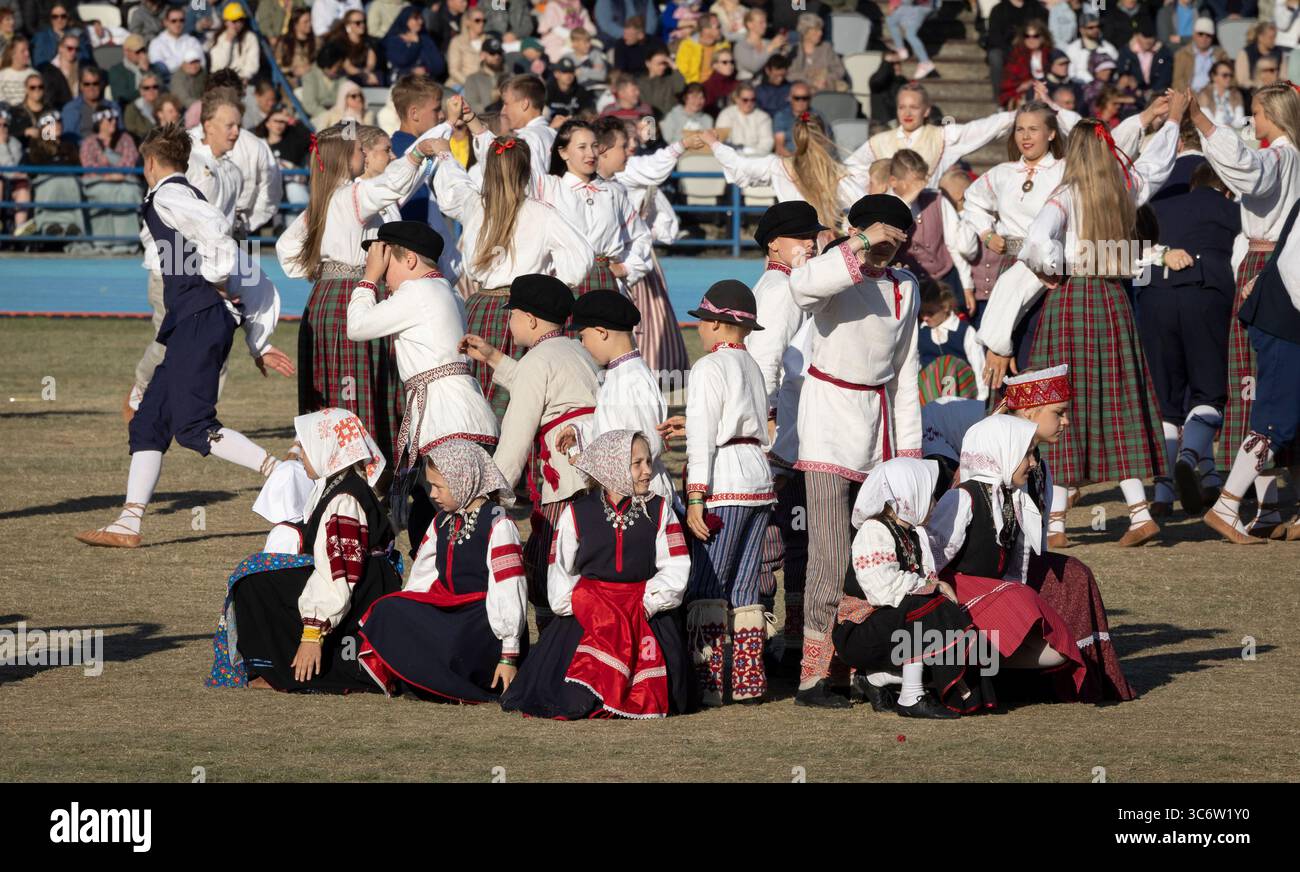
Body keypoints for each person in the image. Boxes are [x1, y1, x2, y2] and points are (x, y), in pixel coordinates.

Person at [987, 95, 1185, 548]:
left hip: (1073, 298)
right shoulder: (1125, 187)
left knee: (1061, 401)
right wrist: (1171, 121)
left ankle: (1055, 524)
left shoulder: (1065, 194)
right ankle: (1137, 512)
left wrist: (1054, 267)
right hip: (1114, 300)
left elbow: (1037, 241)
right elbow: (1157, 162)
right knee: (1116, 400)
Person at [75, 124, 284, 549]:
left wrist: (217, 280)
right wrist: (257, 341)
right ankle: (128, 523)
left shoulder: (169, 195)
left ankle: (282, 473)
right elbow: (248, 269)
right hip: (191, 321)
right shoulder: (185, 195)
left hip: (199, 320)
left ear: (150, 164)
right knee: (151, 420)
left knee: (193, 427)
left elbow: (221, 240)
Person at [784, 195, 918, 707]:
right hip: (826, 420)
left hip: (879, 426)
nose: (887, 248)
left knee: (872, 551)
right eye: (879, 234)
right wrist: (861, 241)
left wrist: (908, 453)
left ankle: (865, 667)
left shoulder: (907, 286)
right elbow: (802, 288)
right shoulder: (833, 271)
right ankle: (812, 678)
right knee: (829, 550)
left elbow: (906, 372)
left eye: (896, 237)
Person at [500, 429, 692, 719]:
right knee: (570, 695)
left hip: (644, 609)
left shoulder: (660, 509)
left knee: (672, 689)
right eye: (637, 463)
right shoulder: (576, 513)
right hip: (589, 613)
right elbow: (560, 572)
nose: (647, 471)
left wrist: (647, 602)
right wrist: (587, 604)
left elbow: (676, 566)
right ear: (612, 466)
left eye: (648, 462)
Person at [972, 95, 1166, 377]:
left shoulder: (1067, 171)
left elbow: (1101, 143)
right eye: (1019, 129)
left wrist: (1145, 117)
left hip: (1053, 272)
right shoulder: (1003, 172)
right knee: (1005, 349)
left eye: (1033, 129)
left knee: (1035, 351)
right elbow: (973, 201)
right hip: (1014, 265)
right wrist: (986, 233)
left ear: (1051, 133)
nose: (1025, 136)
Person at [277, 123, 437, 461]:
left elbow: (286, 250)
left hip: (324, 297)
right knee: (357, 383)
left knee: (331, 378)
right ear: (342, 158)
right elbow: (393, 185)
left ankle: (326, 458)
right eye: (358, 151)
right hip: (352, 292)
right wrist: (419, 153)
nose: (363, 154)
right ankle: (361, 463)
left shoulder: (322, 201)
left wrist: (320, 269)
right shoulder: (350, 195)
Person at [1190, 83, 1300, 543]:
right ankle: (1253, 504)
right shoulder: (1285, 155)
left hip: (1276, 263)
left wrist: (1201, 121)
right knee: (1268, 390)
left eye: (1256, 113)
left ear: (1274, 114)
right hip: (1275, 269)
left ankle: (1267, 506)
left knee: (1269, 391)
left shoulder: (1281, 154)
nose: (1252, 121)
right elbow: (1247, 172)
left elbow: (1249, 173)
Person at [346, 221, 499, 550]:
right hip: (460, 409)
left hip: (445, 416)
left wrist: (367, 279)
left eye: (388, 265)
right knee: (437, 504)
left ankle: (455, 577)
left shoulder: (417, 292)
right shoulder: (447, 291)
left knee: (447, 508)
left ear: (410, 261)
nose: (385, 276)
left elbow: (356, 326)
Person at [459, 274, 601, 626]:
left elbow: (515, 438)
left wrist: (488, 494)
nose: (509, 322)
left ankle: (554, 648)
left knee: (549, 565)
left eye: (513, 315)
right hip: (594, 471)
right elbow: (539, 381)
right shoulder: (576, 350)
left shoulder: (539, 360)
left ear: (531, 320)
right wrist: (494, 358)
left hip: (565, 480)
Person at [229, 408, 402, 692]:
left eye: (306, 450)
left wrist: (313, 631)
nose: (301, 457)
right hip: (356, 579)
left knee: (255, 586)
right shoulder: (334, 484)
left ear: (327, 451)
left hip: (360, 590)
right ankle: (272, 666)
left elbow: (340, 574)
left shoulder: (345, 499)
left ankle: (284, 672)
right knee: (256, 577)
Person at [431, 118, 594, 418]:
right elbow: (581, 255)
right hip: (528, 314)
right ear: (527, 172)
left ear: (488, 171)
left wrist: (444, 155)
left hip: (479, 308)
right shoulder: (542, 213)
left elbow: (452, 188)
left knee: (477, 392)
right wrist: (552, 287)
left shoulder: (474, 205)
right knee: (524, 394)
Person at [925, 414, 1090, 700]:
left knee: (1054, 652)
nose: (1034, 463)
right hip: (958, 596)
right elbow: (932, 562)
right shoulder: (963, 498)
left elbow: (1016, 567)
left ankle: (974, 665)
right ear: (1002, 451)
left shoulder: (1013, 498)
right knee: (1019, 599)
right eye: (1026, 454)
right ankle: (939, 663)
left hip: (994, 595)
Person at [999, 365, 1136, 700]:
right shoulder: (998, 459)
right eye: (1058, 413)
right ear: (1031, 411)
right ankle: (1059, 675)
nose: (1066, 421)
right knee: (1072, 576)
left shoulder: (1038, 465)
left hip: (1019, 566)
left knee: (1074, 573)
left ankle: (1068, 675)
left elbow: (1034, 539)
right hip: (990, 575)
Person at [356, 439, 526, 702]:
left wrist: (509, 653)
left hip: (486, 623)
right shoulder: (442, 521)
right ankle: (419, 677)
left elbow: (509, 589)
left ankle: (454, 678)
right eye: (431, 486)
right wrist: (411, 613)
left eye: (439, 486)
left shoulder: (498, 523)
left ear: (463, 480)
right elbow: (422, 579)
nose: (433, 494)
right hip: (452, 610)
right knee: (388, 609)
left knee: (452, 640)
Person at [675, 281, 776, 704]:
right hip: (758, 479)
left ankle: (709, 683)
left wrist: (696, 497)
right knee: (745, 586)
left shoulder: (708, 368)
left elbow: (701, 441)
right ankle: (749, 681)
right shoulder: (751, 365)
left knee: (707, 584)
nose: (699, 329)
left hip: (726, 484)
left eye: (704, 321)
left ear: (718, 324)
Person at [836, 458, 997, 717]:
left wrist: (932, 587)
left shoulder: (912, 534)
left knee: (939, 610)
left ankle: (878, 679)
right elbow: (882, 590)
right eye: (929, 495)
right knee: (926, 605)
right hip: (859, 631)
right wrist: (931, 586)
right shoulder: (874, 531)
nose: (934, 502)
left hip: (892, 625)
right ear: (908, 493)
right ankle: (911, 697)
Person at [1140, 163, 1240, 518]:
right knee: (1209, 391)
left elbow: (1126, 249)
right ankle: (1189, 456)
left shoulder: (1157, 207)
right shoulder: (1233, 210)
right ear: (1226, 189)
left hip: (1154, 295)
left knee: (1165, 397)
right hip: (1206, 292)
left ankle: (1164, 491)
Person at [557, 289, 673, 502]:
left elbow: (648, 442)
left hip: (642, 493)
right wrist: (581, 432)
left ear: (601, 332)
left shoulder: (632, 379)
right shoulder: (619, 373)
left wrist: (594, 459)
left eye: (583, 336)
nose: (582, 345)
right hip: (626, 488)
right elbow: (617, 428)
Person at [597, 117, 691, 377]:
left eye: (633, 143)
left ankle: (647, 371)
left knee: (645, 319)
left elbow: (666, 221)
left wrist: (652, 232)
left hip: (633, 257)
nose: (631, 149)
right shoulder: (626, 175)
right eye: (626, 144)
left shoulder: (629, 175)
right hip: (617, 256)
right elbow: (652, 169)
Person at [705, 116, 870, 233]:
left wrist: (714, 143)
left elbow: (739, 166)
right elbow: (866, 204)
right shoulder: (837, 173)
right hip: (825, 247)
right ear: (824, 136)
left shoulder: (778, 166)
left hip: (789, 247)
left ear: (796, 139)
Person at [543, 119, 651, 298]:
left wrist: (625, 267)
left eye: (594, 146)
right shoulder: (551, 190)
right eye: (582, 147)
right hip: (563, 287)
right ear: (563, 152)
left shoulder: (612, 192)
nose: (591, 154)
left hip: (607, 285)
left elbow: (641, 236)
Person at [850, 82, 1016, 186]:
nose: (907, 113)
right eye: (902, 107)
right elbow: (850, 169)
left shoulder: (942, 137)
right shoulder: (879, 141)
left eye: (914, 107)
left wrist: (1017, 115)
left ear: (926, 110)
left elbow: (981, 128)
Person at [886, 148, 980, 310]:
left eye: (921, 182)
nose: (919, 188)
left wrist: (967, 287)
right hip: (907, 282)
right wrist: (907, 200)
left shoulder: (936, 199)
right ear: (894, 181)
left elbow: (953, 245)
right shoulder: (884, 205)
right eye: (913, 183)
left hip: (946, 277)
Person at [77, 106, 140, 253]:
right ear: (99, 122)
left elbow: (130, 160)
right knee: (103, 192)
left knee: (127, 193)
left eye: (115, 119)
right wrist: (109, 176)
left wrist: (113, 173)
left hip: (123, 181)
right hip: (98, 182)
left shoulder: (126, 139)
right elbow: (88, 165)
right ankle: (102, 243)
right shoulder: (89, 142)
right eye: (109, 119)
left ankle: (127, 244)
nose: (114, 122)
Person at [918, 281, 988, 402]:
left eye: (930, 313)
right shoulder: (921, 332)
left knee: (948, 363)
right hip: (931, 395)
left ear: (945, 307)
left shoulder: (964, 331)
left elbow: (979, 365)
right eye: (922, 313)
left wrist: (981, 400)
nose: (925, 318)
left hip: (961, 392)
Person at [382, 4, 446, 80]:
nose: (421, 21)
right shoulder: (394, 40)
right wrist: (415, 44)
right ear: (405, 20)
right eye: (416, 18)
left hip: (425, 81)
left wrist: (426, 70)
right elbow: (401, 60)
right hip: (401, 81)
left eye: (421, 18)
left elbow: (439, 65)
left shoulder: (425, 39)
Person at [1115, 23, 1174, 105]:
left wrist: (1149, 94)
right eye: (1145, 36)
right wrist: (1131, 84)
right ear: (1136, 35)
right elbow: (1122, 74)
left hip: (1157, 97)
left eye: (1151, 37)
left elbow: (1164, 78)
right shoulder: (1126, 52)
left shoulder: (1164, 53)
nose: (1148, 41)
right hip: (1132, 98)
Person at [1000, 21, 1055, 108]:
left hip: (1050, 90)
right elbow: (1009, 83)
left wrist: (1034, 83)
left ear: (1043, 37)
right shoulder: (1016, 55)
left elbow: (1057, 75)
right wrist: (1020, 87)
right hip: (1023, 94)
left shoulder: (1051, 54)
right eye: (1027, 36)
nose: (1031, 39)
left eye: (1035, 36)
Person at [885, 1, 938, 81]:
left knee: (910, 35)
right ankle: (901, 50)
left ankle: (925, 62)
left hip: (920, 6)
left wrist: (893, 4)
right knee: (891, 20)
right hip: (917, 5)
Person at [1172, 17, 1228, 93]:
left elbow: (1228, 78)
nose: (1204, 38)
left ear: (1213, 37)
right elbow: (1177, 81)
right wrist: (1191, 96)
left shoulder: (1221, 55)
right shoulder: (1182, 54)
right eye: (1200, 34)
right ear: (1194, 34)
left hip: (1214, 95)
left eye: (1208, 35)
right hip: (1190, 96)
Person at [734, 7, 786, 81]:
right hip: (747, 86)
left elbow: (778, 66)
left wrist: (784, 51)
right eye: (761, 22)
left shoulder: (768, 43)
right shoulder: (741, 46)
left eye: (765, 22)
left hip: (769, 85)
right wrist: (771, 47)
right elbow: (754, 67)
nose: (765, 25)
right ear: (750, 25)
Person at [211, 3, 260, 83]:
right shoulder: (219, 38)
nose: (238, 24)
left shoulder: (250, 38)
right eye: (234, 21)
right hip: (222, 83)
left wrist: (244, 76)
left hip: (242, 82)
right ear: (226, 22)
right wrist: (228, 41)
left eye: (240, 20)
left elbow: (253, 64)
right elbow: (218, 66)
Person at [676, 12, 730, 85]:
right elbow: (682, 72)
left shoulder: (724, 44)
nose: (721, 29)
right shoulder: (687, 46)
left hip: (717, 85)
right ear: (705, 30)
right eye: (718, 27)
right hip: (694, 86)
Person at [148, 5, 204, 74]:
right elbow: (159, 69)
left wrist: (172, 63)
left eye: (181, 20)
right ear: (165, 22)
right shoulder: (156, 43)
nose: (178, 24)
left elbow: (202, 64)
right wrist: (183, 65)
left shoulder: (192, 41)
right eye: (174, 21)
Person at [1066, 13, 1118, 83]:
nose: (1096, 30)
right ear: (1082, 30)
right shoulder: (1073, 49)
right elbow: (1071, 74)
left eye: (1098, 26)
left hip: (1106, 87)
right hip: (1080, 86)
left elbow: (1116, 72)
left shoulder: (1108, 47)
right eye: (1091, 27)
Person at [1197, 60, 1247, 130]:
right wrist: (1224, 127)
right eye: (1225, 75)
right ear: (1213, 76)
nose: (1228, 78)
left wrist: (1229, 127)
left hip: (1233, 133)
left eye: (1230, 75)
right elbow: (1206, 121)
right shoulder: (1204, 94)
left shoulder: (1236, 94)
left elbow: (1240, 121)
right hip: (1211, 135)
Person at [637, 46, 685, 118]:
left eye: (664, 63)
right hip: (648, 123)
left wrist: (673, 65)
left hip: (668, 122)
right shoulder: (639, 83)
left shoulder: (670, 81)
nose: (663, 67)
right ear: (648, 63)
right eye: (659, 63)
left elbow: (680, 87)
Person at [1236, 22, 1282, 95]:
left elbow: (1283, 77)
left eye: (1275, 37)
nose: (1274, 41)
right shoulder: (1246, 53)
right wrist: (1260, 86)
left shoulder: (1278, 52)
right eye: (1271, 38)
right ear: (1260, 37)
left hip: (1274, 92)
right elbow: (1242, 80)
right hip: (1251, 93)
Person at [446, 3, 485, 86]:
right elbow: (454, 70)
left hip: (485, 85)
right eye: (477, 20)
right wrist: (470, 84)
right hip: (461, 84)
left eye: (484, 20)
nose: (481, 23)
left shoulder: (489, 41)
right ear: (468, 22)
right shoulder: (457, 42)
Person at [0, 35, 35, 106]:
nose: (27, 54)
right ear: (12, 53)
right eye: (23, 51)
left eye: (28, 50)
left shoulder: (34, 75)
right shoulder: (2, 76)